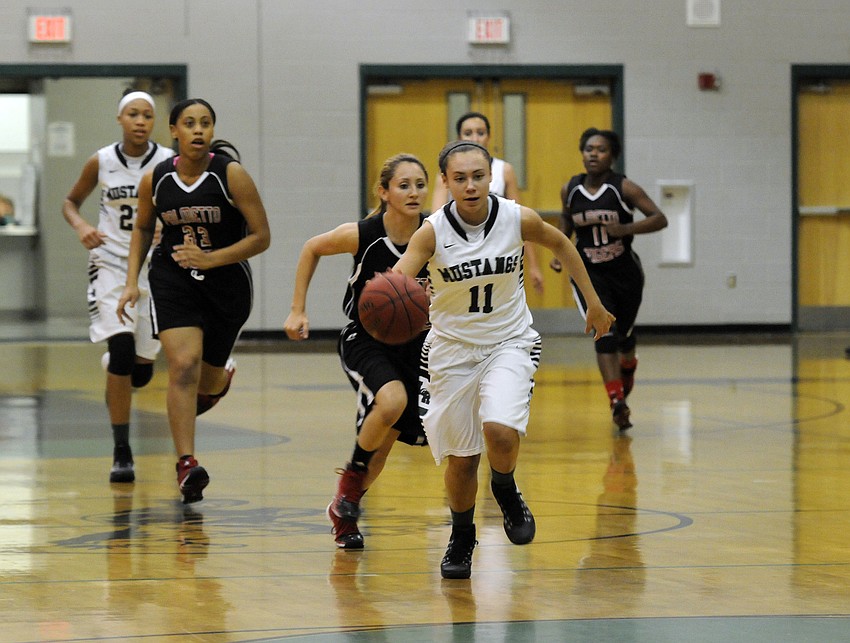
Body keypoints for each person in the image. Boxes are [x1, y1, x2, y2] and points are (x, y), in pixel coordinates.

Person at [393, 140, 614, 579]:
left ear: (490, 176)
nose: (470, 185)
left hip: (508, 341)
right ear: (446, 183)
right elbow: (399, 280)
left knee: (500, 430)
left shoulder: (516, 216)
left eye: (478, 176)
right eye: (460, 178)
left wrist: (591, 302)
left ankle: (506, 487)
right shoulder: (432, 232)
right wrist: (399, 298)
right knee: (461, 459)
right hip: (452, 351)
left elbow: (563, 246)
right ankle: (461, 536)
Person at [117, 98, 271, 504]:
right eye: (190, 123)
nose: (198, 130)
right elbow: (142, 230)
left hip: (226, 286)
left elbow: (261, 237)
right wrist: (132, 281)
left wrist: (211, 258)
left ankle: (218, 383)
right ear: (174, 131)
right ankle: (186, 463)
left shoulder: (231, 175)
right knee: (182, 365)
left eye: (205, 123)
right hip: (173, 279)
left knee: (208, 378)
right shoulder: (156, 179)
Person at [284, 153, 431, 549]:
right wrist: (298, 308)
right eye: (404, 185)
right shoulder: (363, 234)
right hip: (366, 341)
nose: (414, 192)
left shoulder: (435, 234)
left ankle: (343, 512)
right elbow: (312, 248)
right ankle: (349, 484)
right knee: (391, 401)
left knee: (383, 443)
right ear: (383, 192)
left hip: (419, 346)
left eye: (420, 184)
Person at [62, 90, 175, 483]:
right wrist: (82, 227)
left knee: (140, 373)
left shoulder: (166, 162)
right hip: (110, 263)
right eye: (133, 114)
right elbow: (70, 202)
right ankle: (122, 451)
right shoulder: (102, 160)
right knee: (123, 350)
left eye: (147, 115)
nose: (141, 121)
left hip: (153, 267)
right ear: (120, 119)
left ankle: (119, 365)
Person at [550, 127, 668, 430]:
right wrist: (559, 250)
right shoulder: (571, 189)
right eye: (588, 148)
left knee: (624, 337)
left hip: (624, 273)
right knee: (604, 333)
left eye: (600, 149)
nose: (593, 154)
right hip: (588, 274)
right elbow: (566, 221)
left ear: (612, 155)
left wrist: (626, 230)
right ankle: (617, 403)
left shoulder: (623, 188)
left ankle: (628, 363)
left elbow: (659, 218)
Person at [430, 111, 544, 294]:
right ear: (460, 137)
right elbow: (435, 221)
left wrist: (534, 266)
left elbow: (520, 219)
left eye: (480, 132)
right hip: (460, 252)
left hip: (498, 250)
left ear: (489, 137)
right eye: (468, 133)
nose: (475, 137)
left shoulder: (504, 170)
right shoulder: (448, 175)